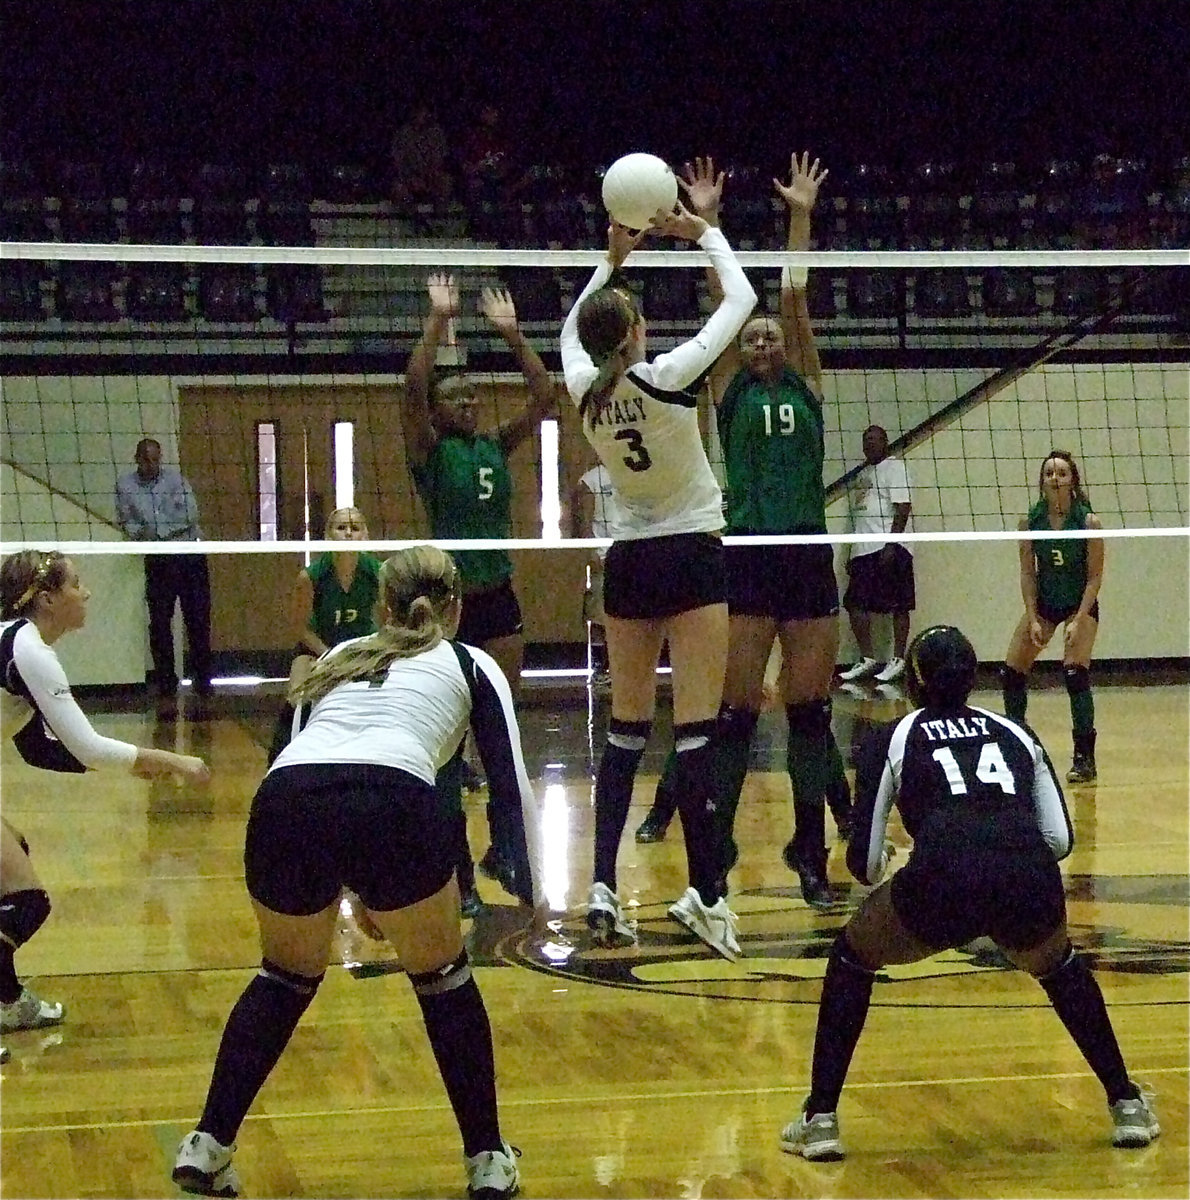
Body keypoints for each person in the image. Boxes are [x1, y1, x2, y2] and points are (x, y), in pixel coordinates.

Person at [172, 545, 530, 1200]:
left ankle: (207, 1144)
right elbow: (508, 783)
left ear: (380, 607)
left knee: (283, 978)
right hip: (394, 800)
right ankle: (487, 1157)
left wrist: (365, 880)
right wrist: (522, 879)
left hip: (284, 803)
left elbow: (299, 756)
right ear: (455, 607)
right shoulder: (470, 661)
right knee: (444, 980)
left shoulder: (338, 655)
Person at [779, 624, 1158, 1160]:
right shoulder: (1015, 731)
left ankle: (820, 1118)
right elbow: (1060, 840)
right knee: (1060, 967)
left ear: (914, 681)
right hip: (1026, 877)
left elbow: (863, 865)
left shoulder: (896, 735)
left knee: (851, 956)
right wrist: (1004, 864)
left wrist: (902, 859)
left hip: (943, 879)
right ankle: (1127, 1104)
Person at [646, 153, 852, 909]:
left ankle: (810, 850)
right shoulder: (727, 389)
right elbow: (724, 304)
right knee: (734, 715)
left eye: (770, 337)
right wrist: (708, 223)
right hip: (748, 556)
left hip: (805, 553)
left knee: (811, 714)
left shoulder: (808, 383)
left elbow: (793, 296)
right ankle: (716, 853)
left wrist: (801, 215)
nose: (762, 342)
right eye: (752, 337)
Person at [560, 193, 757, 960]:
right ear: (638, 330)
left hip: (631, 563)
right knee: (698, 734)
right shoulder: (667, 375)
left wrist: (610, 261)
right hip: (691, 555)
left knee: (625, 732)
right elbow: (740, 301)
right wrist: (704, 230)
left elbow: (570, 333)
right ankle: (707, 897)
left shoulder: (586, 393)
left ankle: (602, 887)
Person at [0, 550, 209, 1049]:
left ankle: (6, 1001)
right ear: (47, 599)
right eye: (77, 584)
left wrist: (133, 764)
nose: (87, 592)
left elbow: (37, 748)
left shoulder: (18, 644)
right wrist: (172, 760)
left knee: (14, 867)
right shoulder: (28, 650)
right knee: (26, 901)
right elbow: (88, 747)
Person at [403, 277, 556, 899]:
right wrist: (438, 320)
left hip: (498, 597)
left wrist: (513, 335)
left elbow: (545, 396)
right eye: (456, 395)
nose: (468, 400)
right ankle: (457, 868)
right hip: (449, 606)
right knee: (447, 739)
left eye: (472, 392)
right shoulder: (429, 453)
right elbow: (412, 386)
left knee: (500, 731)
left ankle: (505, 853)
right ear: (438, 410)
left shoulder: (495, 444)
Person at [1001, 451, 1104, 784]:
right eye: (1049, 473)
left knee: (1075, 673)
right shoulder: (1030, 522)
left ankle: (1084, 758)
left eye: (1062, 473)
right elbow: (1027, 574)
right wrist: (1033, 618)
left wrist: (1079, 619)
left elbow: (1094, 577)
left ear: (1072, 480)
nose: (1055, 478)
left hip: (1079, 603)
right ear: (1042, 482)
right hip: (1045, 603)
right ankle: (1017, 746)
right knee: (1012, 672)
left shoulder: (1087, 522)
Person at [115, 437, 213, 702]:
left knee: (198, 620)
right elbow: (128, 524)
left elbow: (190, 514)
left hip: (189, 555)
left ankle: (203, 682)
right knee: (159, 622)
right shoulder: (125, 486)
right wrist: (159, 534)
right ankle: (166, 683)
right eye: (146, 459)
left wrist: (158, 531)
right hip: (158, 559)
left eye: (156, 459)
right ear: (137, 459)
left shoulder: (177, 480)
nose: (151, 464)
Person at [839, 424, 915, 685]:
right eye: (866, 440)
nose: (870, 443)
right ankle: (868, 658)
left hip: (888, 547)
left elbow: (903, 507)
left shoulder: (895, 468)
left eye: (875, 439)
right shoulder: (863, 474)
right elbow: (858, 517)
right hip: (863, 550)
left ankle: (899, 659)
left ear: (885, 441)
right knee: (855, 604)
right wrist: (851, 551)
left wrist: (891, 544)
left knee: (898, 604)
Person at [569, 458, 622, 686]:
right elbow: (582, 521)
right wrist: (590, 550)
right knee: (599, 614)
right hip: (603, 554)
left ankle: (619, 665)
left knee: (621, 612)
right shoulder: (590, 480)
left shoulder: (628, 474)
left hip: (626, 551)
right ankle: (601, 665)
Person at [389, 103, 453, 210]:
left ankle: (440, 215)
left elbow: (440, 159)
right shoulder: (404, 134)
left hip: (431, 177)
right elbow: (397, 161)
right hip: (409, 178)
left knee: (445, 181)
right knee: (399, 189)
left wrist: (428, 176)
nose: (422, 115)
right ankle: (411, 215)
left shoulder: (435, 133)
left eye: (424, 112)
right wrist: (411, 177)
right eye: (418, 112)